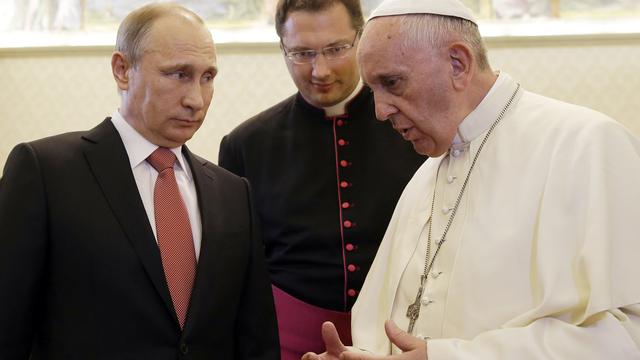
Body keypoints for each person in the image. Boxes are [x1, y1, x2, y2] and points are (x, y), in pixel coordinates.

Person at [304, 0, 640, 358]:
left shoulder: (587, 145)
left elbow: (628, 335)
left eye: (392, 83)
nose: (380, 111)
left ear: (458, 64)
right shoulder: (425, 178)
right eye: (374, 90)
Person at [0, 3, 279, 359]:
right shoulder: (46, 173)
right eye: (178, 74)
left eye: (207, 77)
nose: (196, 99)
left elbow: (256, 340)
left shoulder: (232, 193)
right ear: (122, 70)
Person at [218, 0, 425, 358]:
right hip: (288, 343)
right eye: (301, 53)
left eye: (336, 49)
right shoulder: (245, 144)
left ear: (361, 39)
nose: (321, 70)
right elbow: (238, 271)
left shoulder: (413, 128)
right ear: (282, 48)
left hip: (397, 337)